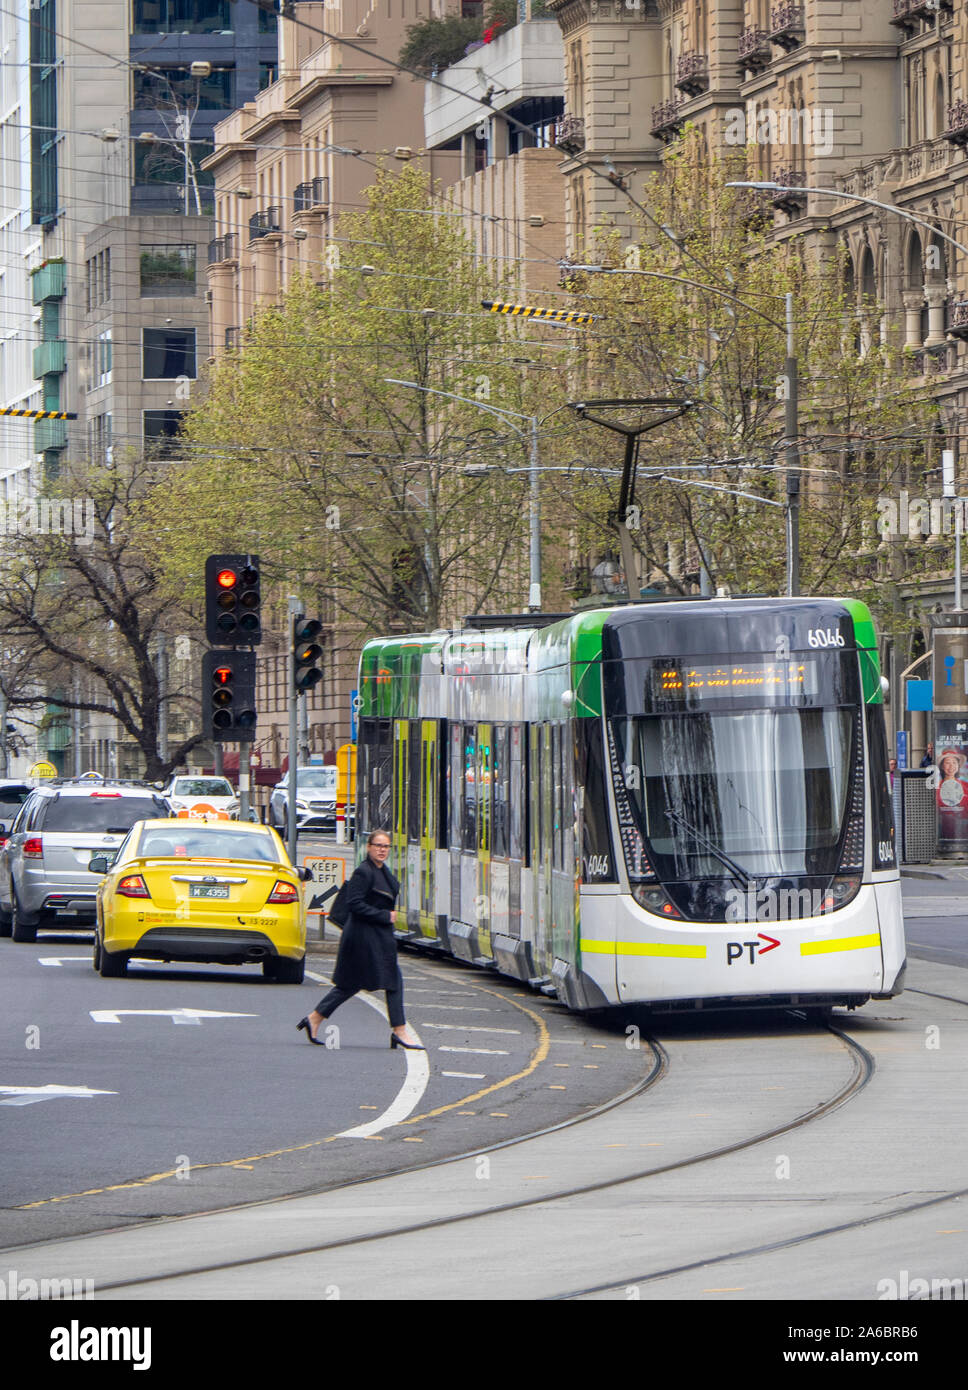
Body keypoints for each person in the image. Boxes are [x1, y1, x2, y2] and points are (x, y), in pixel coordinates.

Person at [297, 830, 424, 1050]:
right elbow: (354, 904)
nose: (382, 850)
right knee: (390, 981)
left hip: (377, 936)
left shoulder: (382, 871)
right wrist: (385, 915)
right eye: (378, 845)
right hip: (363, 937)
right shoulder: (363, 872)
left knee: (352, 984)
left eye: (386, 846)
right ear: (369, 847)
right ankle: (399, 1031)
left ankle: (314, 1018)